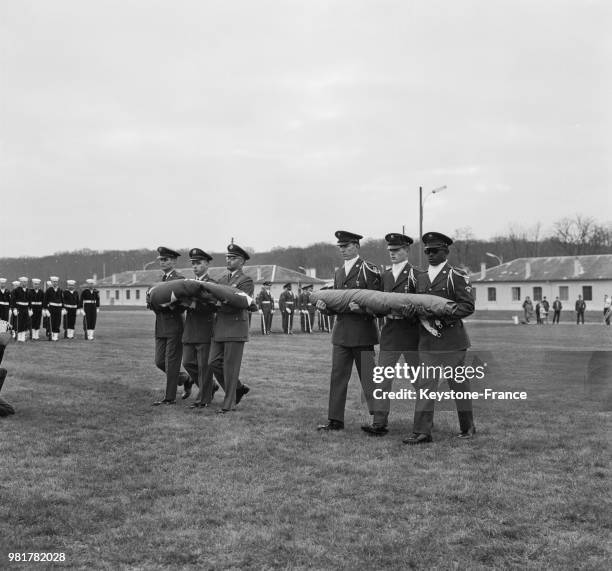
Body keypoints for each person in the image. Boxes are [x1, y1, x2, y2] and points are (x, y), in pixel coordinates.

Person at [403, 232, 476, 445]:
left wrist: (442, 312)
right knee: (425, 386)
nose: (431, 254)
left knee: (458, 385)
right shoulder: (419, 278)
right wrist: (411, 314)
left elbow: (468, 306)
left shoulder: (457, 275)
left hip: (452, 341)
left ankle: (468, 426)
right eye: (427, 251)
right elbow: (415, 305)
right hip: (427, 342)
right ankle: (422, 432)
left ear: (446, 251)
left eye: (435, 251)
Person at [316, 230, 382, 432]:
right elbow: (338, 303)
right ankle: (335, 420)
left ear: (357, 246)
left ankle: (379, 421)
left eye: (347, 246)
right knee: (337, 378)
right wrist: (325, 308)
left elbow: (378, 304)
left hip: (362, 332)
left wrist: (362, 309)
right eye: (341, 247)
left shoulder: (369, 270)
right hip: (342, 333)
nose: (343, 250)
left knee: (369, 379)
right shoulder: (339, 272)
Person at [363, 233, 420, 437]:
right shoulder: (385, 276)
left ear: (407, 251)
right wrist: (376, 310)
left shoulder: (417, 275)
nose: (392, 254)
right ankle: (379, 423)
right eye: (390, 251)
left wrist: (413, 314)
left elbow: (422, 306)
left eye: (396, 250)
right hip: (390, 333)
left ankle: (422, 426)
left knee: (420, 381)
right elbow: (378, 305)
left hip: (412, 334)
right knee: (383, 380)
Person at [201, 242, 253, 413]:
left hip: (236, 328)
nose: (229, 260)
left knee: (230, 368)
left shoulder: (246, 281)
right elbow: (212, 299)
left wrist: (219, 302)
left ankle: (229, 404)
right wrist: (218, 301)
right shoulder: (222, 280)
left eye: (233, 258)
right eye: (228, 258)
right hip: (220, 327)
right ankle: (237, 388)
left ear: (242, 261)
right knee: (213, 362)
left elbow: (240, 303)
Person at [180, 248, 221, 407]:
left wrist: (192, 303)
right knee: (188, 362)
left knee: (204, 367)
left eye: (199, 263)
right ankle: (210, 386)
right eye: (193, 263)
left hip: (205, 329)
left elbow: (213, 306)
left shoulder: (213, 285)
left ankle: (203, 400)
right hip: (190, 329)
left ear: (207, 264)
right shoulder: (188, 284)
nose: (195, 266)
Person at [150, 247, 190, 405]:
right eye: (161, 259)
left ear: (174, 261)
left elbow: (184, 304)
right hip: (160, 325)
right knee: (160, 361)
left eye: (166, 259)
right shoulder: (161, 281)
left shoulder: (180, 279)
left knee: (172, 363)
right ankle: (186, 379)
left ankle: (169, 397)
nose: (162, 262)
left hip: (174, 324)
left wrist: (168, 305)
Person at [43, 276, 64, 342]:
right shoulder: (49, 290)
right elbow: (45, 300)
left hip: (58, 308)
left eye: (56, 282)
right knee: (51, 322)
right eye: (53, 282)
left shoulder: (60, 290)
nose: (55, 283)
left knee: (57, 322)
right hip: (51, 308)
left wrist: (63, 308)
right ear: (51, 282)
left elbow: (62, 300)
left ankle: (56, 335)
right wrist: (45, 309)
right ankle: (51, 334)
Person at [10, 277, 30, 343]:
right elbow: (13, 300)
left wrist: (30, 309)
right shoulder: (16, 290)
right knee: (19, 323)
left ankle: (23, 337)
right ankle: (19, 337)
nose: (24, 283)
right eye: (23, 282)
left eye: (25, 282)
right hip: (19, 308)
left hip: (26, 309)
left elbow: (30, 301)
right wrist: (14, 308)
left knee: (25, 323)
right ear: (20, 283)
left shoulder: (28, 290)